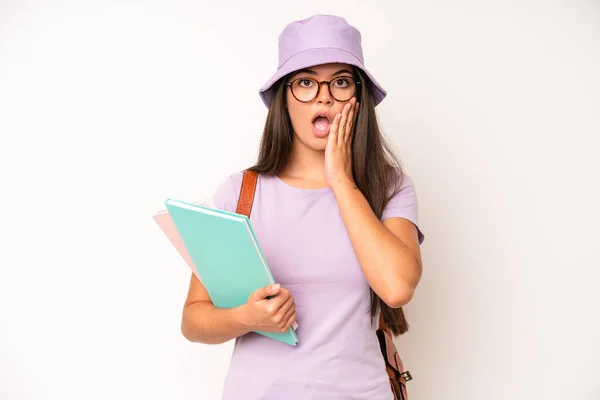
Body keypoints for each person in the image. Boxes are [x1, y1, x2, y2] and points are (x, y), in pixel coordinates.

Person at [180, 14, 425, 400]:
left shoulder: (389, 187)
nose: (324, 96)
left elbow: (396, 287)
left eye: (341, 82)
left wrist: (341, 180)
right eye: (306, 82)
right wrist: (247, 317)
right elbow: (194, 319)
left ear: (358, 99)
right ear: (284, 98)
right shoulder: (240, 193)